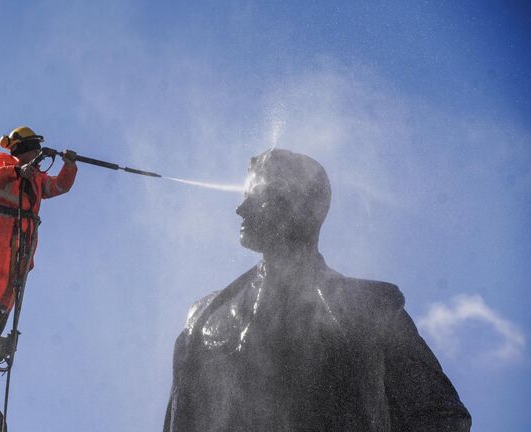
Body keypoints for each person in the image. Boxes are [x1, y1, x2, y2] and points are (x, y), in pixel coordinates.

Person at [163, 149, 471, 431]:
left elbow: (443, 417)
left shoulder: (372, 310)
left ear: (301, 207)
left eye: (259, 196)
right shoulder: (205, 319)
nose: (241, 209)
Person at [0, 126, 77, 334]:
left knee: (9, 290)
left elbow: (58, 187)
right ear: (24, 149)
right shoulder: (2, 163)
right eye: (34, 149)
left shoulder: (36, 177)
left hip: (19, 243)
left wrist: (68, 166)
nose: (37, 153)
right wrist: (16, 172)